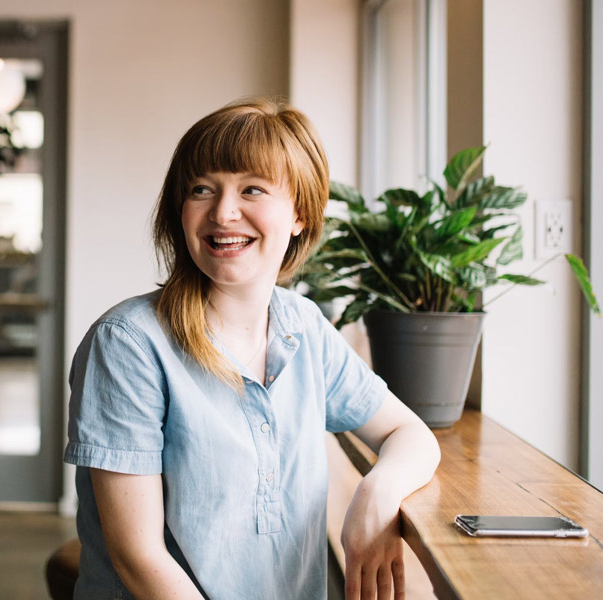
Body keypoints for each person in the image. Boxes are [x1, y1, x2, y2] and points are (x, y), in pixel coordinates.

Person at [64, 98, 440, 600]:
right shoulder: (128, 343)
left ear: (300, 214)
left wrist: (377, 493)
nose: (223, 212)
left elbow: (409, 433)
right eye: (202, 189)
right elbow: (139, 559)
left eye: (252, 189)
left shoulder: (303, 325)